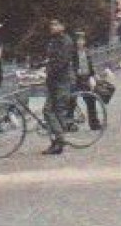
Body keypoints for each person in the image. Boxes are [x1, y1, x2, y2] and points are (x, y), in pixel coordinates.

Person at [40, 19, 76, 155]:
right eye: (51, 24)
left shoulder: (66, 41)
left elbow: (62, 62)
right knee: (49, 110)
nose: (52, 27)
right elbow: (51, 59)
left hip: (62, 81)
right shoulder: (54, 41)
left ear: (62, 26)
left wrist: (47, 71)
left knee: (52, 110)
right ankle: (57, 141)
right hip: (54, 81)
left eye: (56, 25)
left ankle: (59, 141)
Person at [72, 28, 102, 130]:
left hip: (85, 78)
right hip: (75, 79)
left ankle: (94, 123)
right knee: (71, 101)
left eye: (82, 40)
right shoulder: (72, 53)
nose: (80, 42)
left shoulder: (86, 51)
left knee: (90, 100)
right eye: (78, 40)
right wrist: (75, 71)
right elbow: (70, 65)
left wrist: (93, 75)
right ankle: (69, 124)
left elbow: (90, 65)